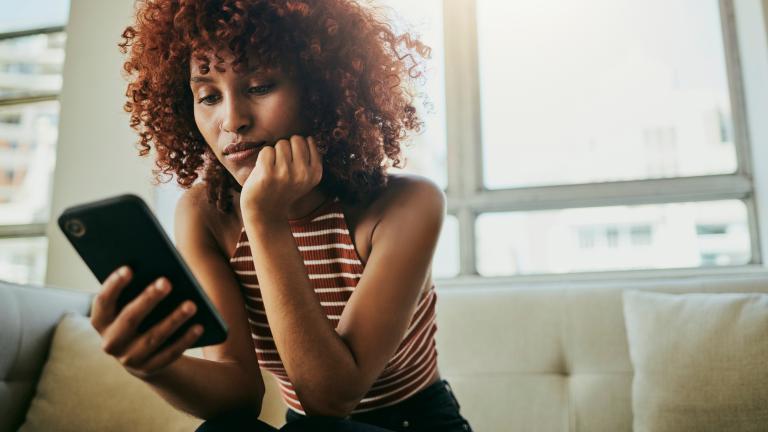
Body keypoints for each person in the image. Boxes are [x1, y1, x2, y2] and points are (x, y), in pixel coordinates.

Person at [90, 0, 472, 430]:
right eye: (209, 96)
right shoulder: (205, 215)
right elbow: (237, 395)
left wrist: (265, 219)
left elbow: (332, 399)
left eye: (259, 86)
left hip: (412, 423)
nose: (232, 120)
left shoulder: (406, 205)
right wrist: (151, 365)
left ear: (321, 90)